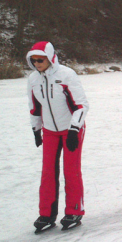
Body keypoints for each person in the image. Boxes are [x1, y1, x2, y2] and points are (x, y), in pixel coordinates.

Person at [27, 41, 89, 232]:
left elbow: (81, 105)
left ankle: (74, 211)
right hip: (50, 131)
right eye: (33, 60)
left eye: (40, 59)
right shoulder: (33, 79)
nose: (37, 63)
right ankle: (46, 215)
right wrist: (36, 130)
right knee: (47, 173)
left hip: (71, 129)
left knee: (71, 171)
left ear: (50, 57)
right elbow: (34, 107)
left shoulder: (66, 75)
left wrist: (74, 129)